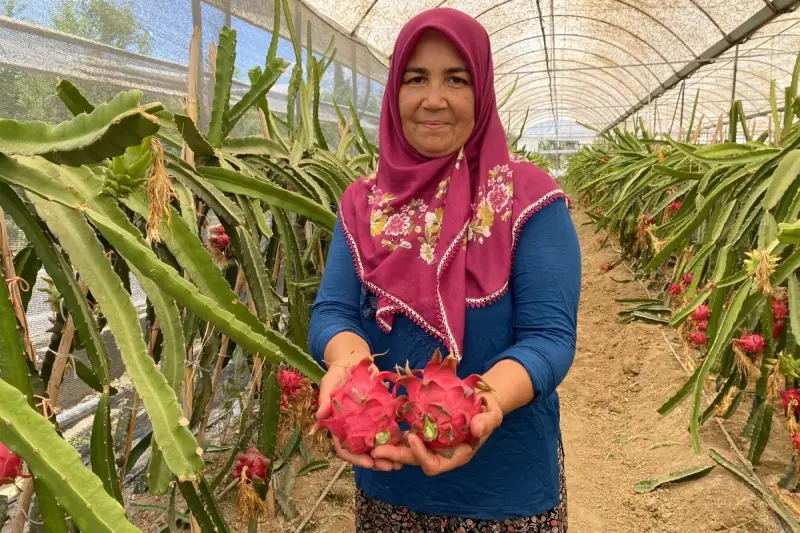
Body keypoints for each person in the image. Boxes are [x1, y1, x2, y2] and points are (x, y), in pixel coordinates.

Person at [308, 7, 580, 532]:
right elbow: (333, 311)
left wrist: (485, 405)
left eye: (456, 79)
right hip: (386, 479)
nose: (434, 99)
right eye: (416, 79)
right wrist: (349, 371)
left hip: (506, 492)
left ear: (481, 92)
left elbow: (549, 338)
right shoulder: (363, 203)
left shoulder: (529, 200)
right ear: (394, 94)